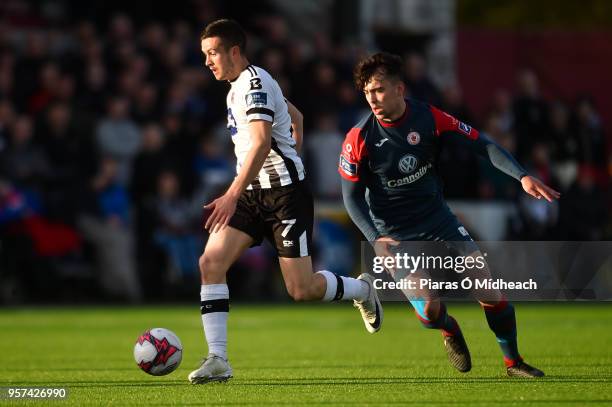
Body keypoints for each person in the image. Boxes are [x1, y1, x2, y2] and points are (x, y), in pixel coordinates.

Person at [339, 52, 560, 378]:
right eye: (368, 92)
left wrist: (522, 176)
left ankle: (513, 363)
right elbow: (351, 198)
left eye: (380, 90)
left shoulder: (428, 117)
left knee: (488, 290)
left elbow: (482, 144)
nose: (373, 98)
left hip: (438, 220)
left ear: (400, 89)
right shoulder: (358, 138)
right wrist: (375, 240)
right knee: (429, 310)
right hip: (395, 235)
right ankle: (448, 329)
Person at [188, 19, 383, 384]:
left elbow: (262, 143)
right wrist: (294, 132)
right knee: (210, 262)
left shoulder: (253, 85)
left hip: (283, 196)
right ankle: (218, 359)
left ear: (234, 51)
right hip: (250, 192)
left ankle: (362, 289)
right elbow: (295, 113)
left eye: (212, 53)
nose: (207, 62)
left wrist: (230, 194)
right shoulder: (240, 85)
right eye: (204, 55)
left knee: (301, 289)